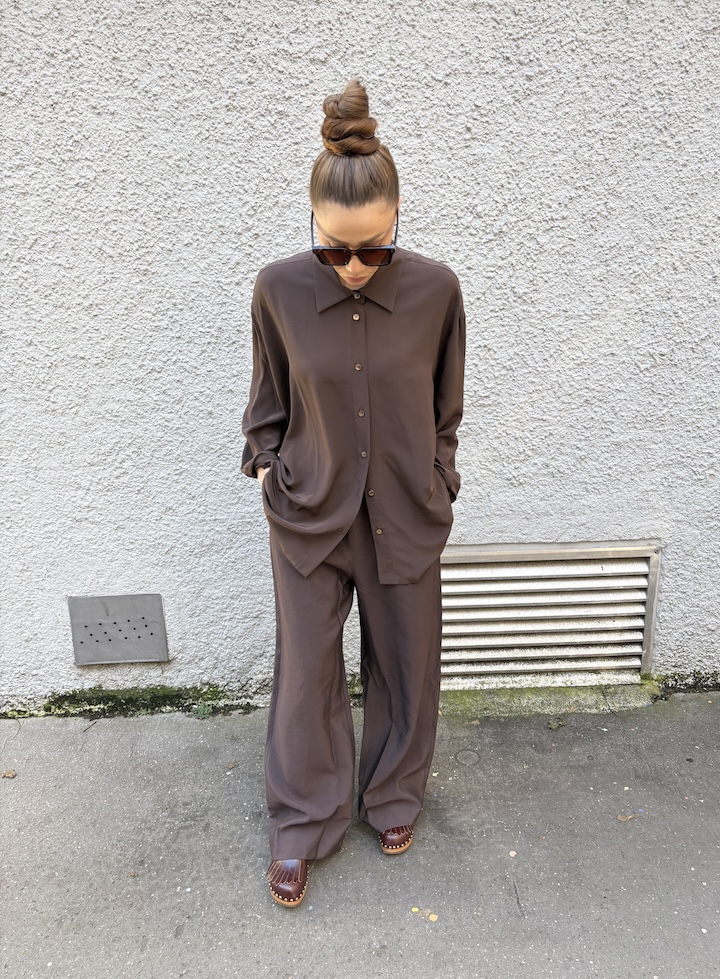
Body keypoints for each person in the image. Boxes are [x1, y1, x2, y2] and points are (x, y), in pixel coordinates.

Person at [241, 79, 465, 908]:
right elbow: (267, 400)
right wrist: (267, 463)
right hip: (309, 511)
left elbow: (446, 406)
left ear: (398, 219)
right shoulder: (277, 291)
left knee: (407, 663)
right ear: (312, 223)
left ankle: (393, 796)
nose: (356, 266)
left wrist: (441, 475)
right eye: (334, 250)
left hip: (405, 508)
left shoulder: (437, 292)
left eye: (374, 248)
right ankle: (303, 823)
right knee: (307, 673)